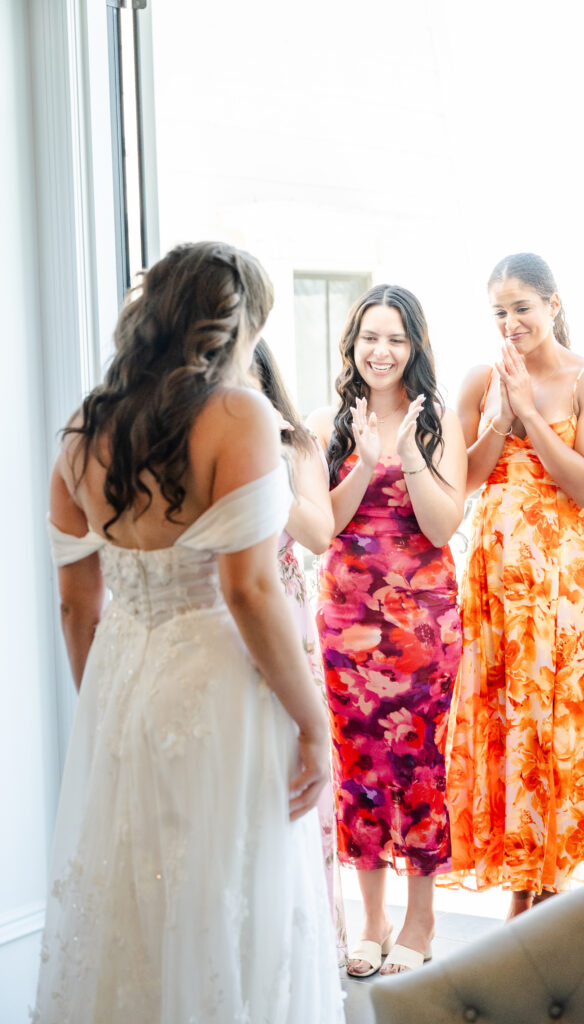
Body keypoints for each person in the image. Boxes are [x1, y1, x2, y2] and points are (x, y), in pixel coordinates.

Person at [34, 242, 344, 1023]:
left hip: (122, 681)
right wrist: (314, 722)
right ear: (233, 325)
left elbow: (78, 605)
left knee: (136, 895)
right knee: (229, 888)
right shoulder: (238, 414)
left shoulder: (82, 430)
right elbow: (249, 587)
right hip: (216, 685)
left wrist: (104, 701)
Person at [443, 252, 584, 919]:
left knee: (553, 722)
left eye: (521, 306)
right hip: (494, 583)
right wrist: (499, 416)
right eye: (498, 311)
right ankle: (518, 888)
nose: (510, 321)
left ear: (552, 304)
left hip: (562, 588)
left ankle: (542, 897)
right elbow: (461, 483)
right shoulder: (478, 379)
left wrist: (528, 409)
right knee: (503, 723)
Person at [308, 284, 467, 975]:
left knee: (417, 764)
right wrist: (364, 460)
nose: (381, 351)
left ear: (414, 347)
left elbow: (440, 525)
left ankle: (421, 920)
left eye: (395, 339)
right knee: (361, 773)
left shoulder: (438, 424)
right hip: (346, 623)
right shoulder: (326, 425)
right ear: (352, 345)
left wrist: (405, 454)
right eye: (370, 337)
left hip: (423, 626)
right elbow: (322, 526)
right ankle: (369, 922)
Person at [251, 338, 348, 964]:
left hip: (284, 614)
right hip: (220, 619)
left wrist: (260, 462)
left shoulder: (292, 444)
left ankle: (306, 942)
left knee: (295, 762)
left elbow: (317, 533)